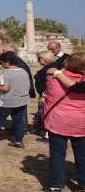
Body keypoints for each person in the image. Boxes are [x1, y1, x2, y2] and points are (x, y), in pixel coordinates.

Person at [45, 53, 85, 192]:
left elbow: (49, 95)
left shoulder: (52, 77)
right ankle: (83, 185)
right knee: (82, 155)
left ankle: (56, 185)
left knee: (57, 154)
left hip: (58, 121)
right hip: (81, 123)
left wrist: (58, 72)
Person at [32, 50, 58, 134]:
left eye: (39, 58)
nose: (38, 60)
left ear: (43, 59)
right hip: (54, 95)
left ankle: (47, 133)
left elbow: (49, 85)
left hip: (47, 96)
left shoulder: (46, 70)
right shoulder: (57, 67)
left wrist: (43, 96)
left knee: (46, 114)